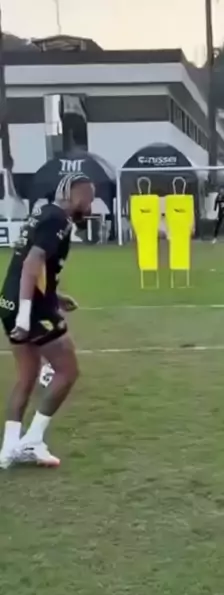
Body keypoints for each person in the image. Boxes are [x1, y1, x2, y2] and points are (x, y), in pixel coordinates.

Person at [0, 174, 95, 469]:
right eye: (87, 198)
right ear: (70, 194)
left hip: (9, 302)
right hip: (32, 310)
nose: (90, 206)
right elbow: (32, 263)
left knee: (27, 377)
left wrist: (56, 295)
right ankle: (32, 441)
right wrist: (26, 316)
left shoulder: (43, 212)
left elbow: (31, 265)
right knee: (67, 371)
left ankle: (9, 448)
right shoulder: (58, 219)